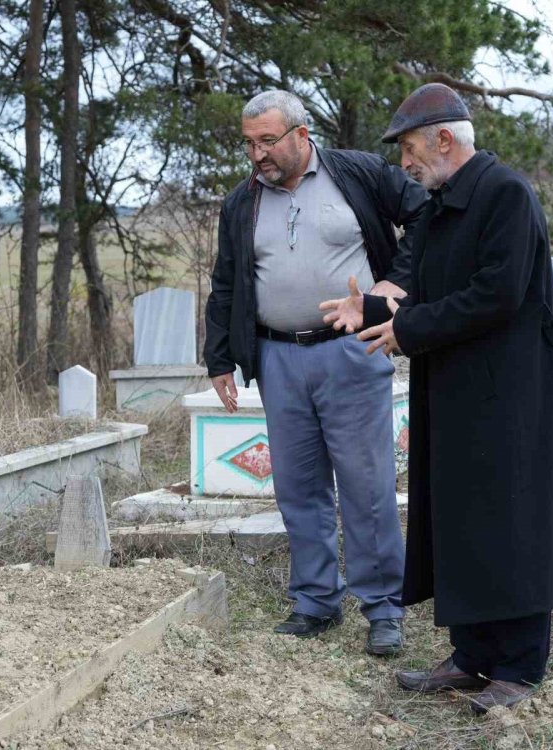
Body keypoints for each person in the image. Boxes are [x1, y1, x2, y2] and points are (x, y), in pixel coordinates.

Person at [320, 83, 553, 712]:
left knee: (512, 525)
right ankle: (471, 657)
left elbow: (498, 293)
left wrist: (406, 328)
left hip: (512, 395)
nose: (403, 163)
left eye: (409, 148)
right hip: (456, 390)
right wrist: (375, 305)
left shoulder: (506, 195)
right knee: (462, 519)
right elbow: (420, 283)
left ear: (443, 139)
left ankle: (519, 667)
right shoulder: (438, 208)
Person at [203, 90, 428, 654]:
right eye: (249, 144)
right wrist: (220, 356)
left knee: (365, 484)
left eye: (268, 141)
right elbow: (227, 280)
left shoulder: (359, 173)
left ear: (302, 135)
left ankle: (382, 607)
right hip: (277, 356)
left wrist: (390, 290)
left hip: (350, 351)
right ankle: (314, 601)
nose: (257, 155)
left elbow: (428, 218)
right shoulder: (242, 202)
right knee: (298, 486)